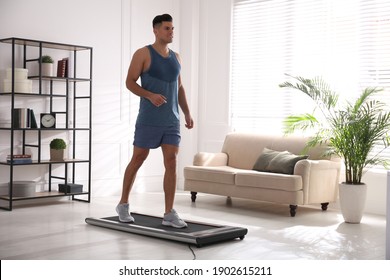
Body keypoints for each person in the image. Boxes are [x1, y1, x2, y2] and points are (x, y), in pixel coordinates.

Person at [116, 14, 194, 228]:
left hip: (172, 120)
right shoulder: (143, 53)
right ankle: (123, 204)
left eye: (172, 28)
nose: (171, 32)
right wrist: (149, 95)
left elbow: (179, 87)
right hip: (149, 119)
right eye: (167, 28)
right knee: (138, 159)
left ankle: (169, 213)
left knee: (171, 162)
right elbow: (129, 83)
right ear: (156, 30)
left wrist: (186, 112)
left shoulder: (176, 57)